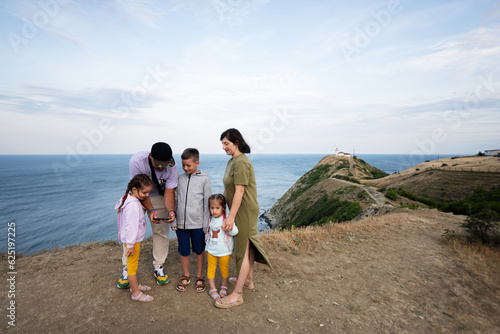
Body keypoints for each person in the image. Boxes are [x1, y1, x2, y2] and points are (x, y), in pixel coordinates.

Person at [215, 128, 272, 309]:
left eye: (226, 143)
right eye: (222, 144)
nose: (223, 147)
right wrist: (222, 206)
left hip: (244, 211)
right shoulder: (232, 162)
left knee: (242, 250)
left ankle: (237, 295)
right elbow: (229, 188)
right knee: (247, 248)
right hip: (239, 209)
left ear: (236, 142)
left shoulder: (241, 162)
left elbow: (240, 191)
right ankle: (247, 280)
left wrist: (230, 217)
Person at [117, 142, 179, 288]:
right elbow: (139, 190)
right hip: (139, 195)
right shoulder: (137, 161)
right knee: (130, 230)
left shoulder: (172, 166)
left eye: (165, 165)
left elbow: (169, 192)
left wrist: (171, 211)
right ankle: (127, 269)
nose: (162, 168)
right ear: (151, 157)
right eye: (159, 165)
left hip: (160, 195)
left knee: (161, 231)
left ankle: (159, 266)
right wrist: (151, 210)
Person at [171, 148, 211, 293]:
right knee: (184, 250)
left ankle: (200, 276)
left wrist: (206, 225)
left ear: (197, 163)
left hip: (198, 223)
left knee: (199, 250)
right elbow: (175, 200)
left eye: (189, 165)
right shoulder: (179, 179)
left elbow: (208, 204)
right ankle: (186, 274)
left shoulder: (204, 179)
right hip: (181, 223)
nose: (185, 168)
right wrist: (173, 221)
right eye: (183, 165)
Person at [115, 174, 154, 302]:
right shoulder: (133, 205)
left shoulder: (128, 199)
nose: (147, 195)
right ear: (135, 190)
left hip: (130, 240)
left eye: (148, 192)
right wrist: (131, 245)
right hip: (132, 241)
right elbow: (131, 227)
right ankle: (136, 293)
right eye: (144, 192)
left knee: (132, 265)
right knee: (132, 267)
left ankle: (134, 286)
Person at [205, 194, 239, 302]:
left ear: (223, 208)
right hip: (211, 250)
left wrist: (229, 228)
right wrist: (207, 247)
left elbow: (235, 232)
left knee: (224, 269)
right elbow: (208, 234)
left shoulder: (227, 219)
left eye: (217, 208)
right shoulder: (210, 220)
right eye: (212, 208)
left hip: (224, 251)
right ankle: (213, 289)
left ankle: (224, 286)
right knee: (211, 269)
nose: (214, 211)